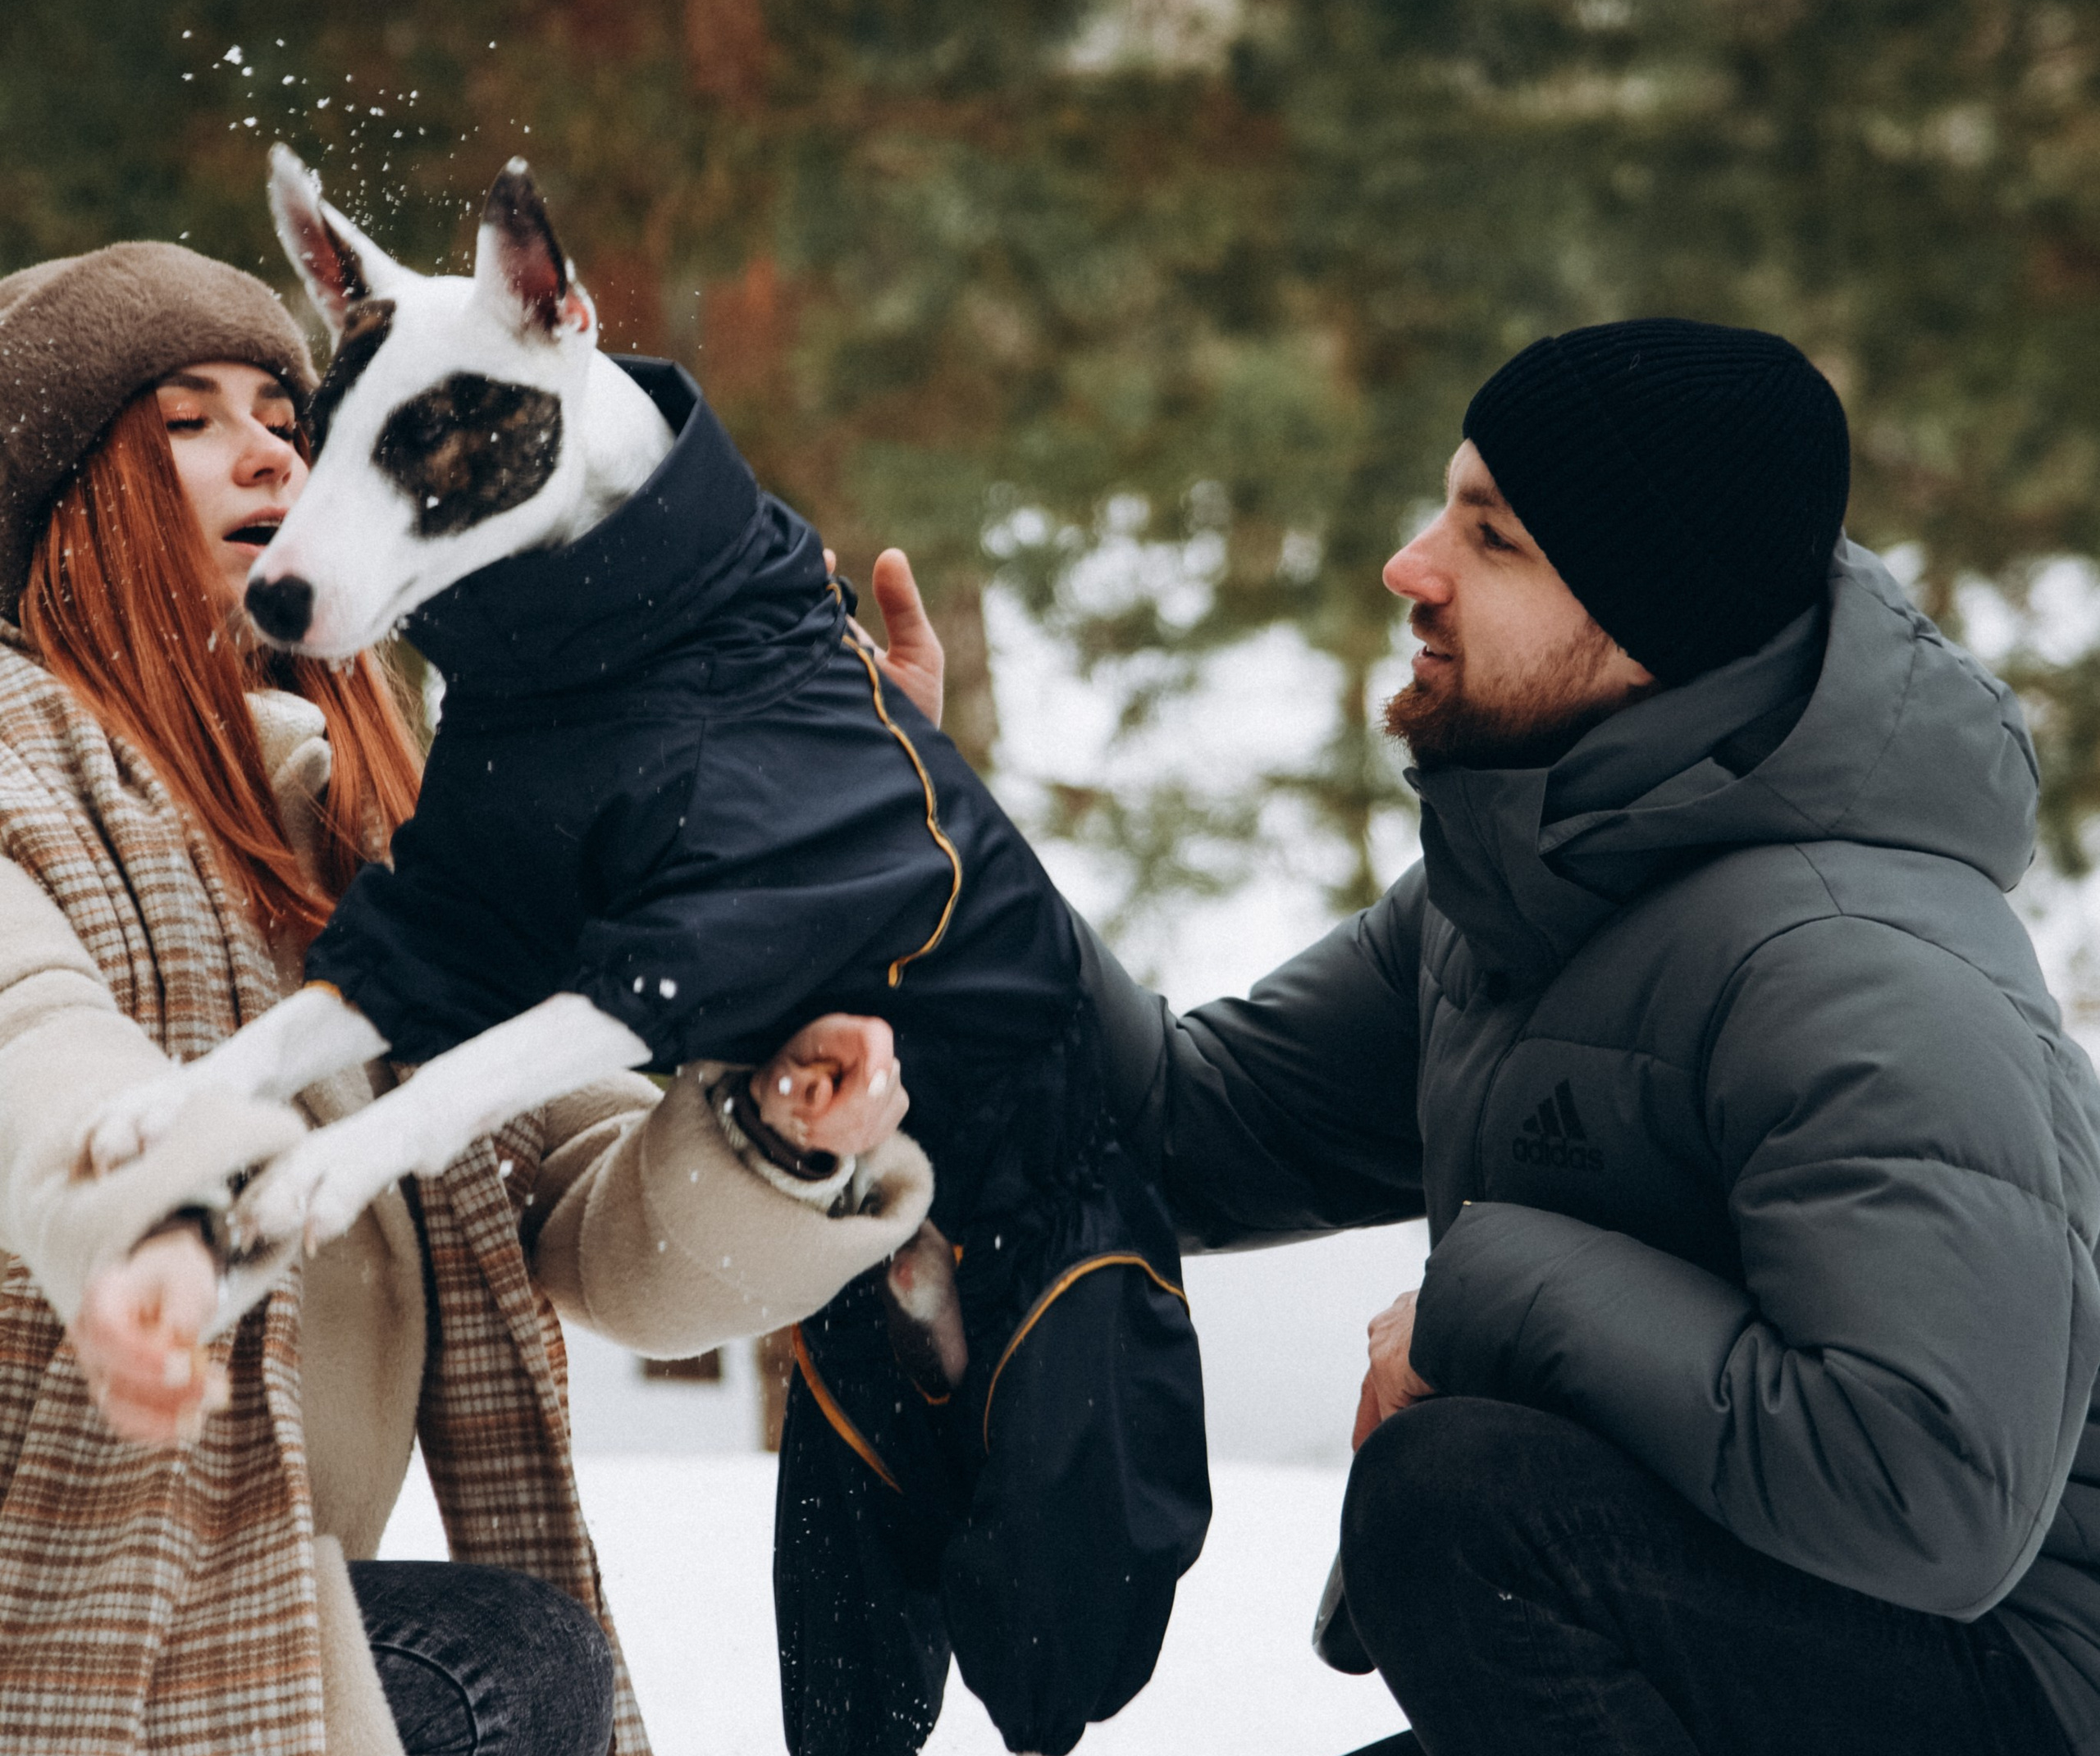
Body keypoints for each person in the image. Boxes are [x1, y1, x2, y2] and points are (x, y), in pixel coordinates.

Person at [829, 317, 2100, 1756]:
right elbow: (1175, 1124)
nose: (1411, 566)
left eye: (1492, 540)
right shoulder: (1524, 890)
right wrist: (920, 834)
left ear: (1652, 621)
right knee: (1463, 1505)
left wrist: (1481, 1297)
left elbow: (1926, 1494)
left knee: (1458, 1501)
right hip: (1736, 1643)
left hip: (2009, 1687)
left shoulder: (1861, 970)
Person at [0, 240, 929, 1756]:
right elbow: (36, 1046)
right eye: (188, 422)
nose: (275, 455)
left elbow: (585, 1205)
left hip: (242, 1604)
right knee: (499, 1664)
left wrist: (775, 1111)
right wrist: (168, 1229)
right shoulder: (17, 778)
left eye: (289, 423)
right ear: (56, 501)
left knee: (516, 1657)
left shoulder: (364, 838)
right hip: (49, 1609)